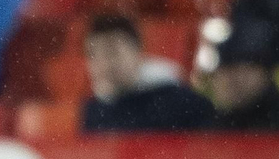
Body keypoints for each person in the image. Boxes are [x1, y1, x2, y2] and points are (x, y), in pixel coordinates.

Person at [80, 13, 213, 133]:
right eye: (92, 54)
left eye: (112, 52)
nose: (103, 63)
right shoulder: (93, 111)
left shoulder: (182, 103)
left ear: (138, 52)